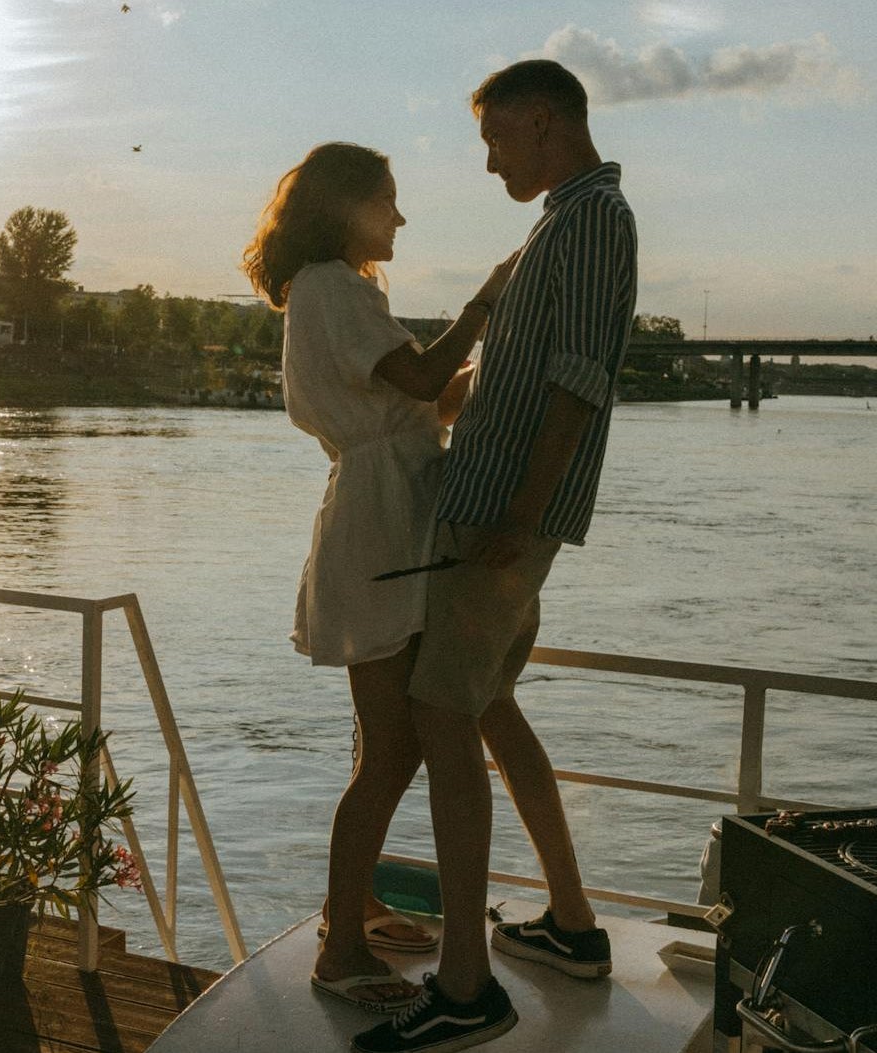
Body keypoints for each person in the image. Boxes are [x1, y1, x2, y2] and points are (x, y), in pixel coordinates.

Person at [352, 59, 638, 1053]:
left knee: (440, 712)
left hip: (502, 522)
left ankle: (467, 988)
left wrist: (519, 511)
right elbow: (525, 376)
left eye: (496, 139)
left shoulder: (594, 218)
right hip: (490, 510)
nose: (487, 162)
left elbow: (580, 377)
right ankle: (570, 924)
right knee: (490, 707)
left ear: (547, 122)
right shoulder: (558, 221)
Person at [240, 142, 515, 1015]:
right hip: (382, 520)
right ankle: (341, 949)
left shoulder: (340, 289)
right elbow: (427, 378)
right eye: (388, 203)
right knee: (392, 747)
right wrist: (484, 303)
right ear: (348, 208)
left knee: (381, 736)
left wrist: (504, 365)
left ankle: (354, 907)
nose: (399, 219)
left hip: (387, 505)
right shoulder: (332, 285)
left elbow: (428, 401)